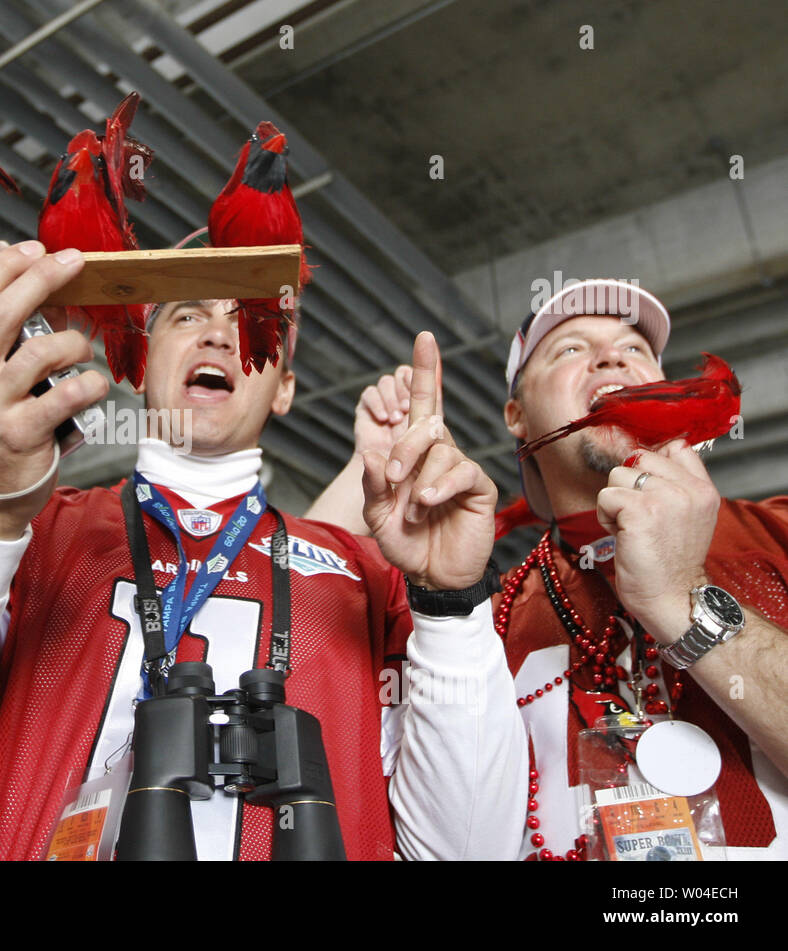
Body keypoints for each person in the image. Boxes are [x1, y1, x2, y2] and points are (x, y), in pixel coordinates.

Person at [0, 240, 529, 860]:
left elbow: (471, 848)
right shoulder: (29, 533)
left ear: (283, 388)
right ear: (138, 359)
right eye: (187, 313)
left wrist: (452, 606)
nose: (219, 335)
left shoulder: (369, 576)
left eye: (250, 322)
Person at [316, 278, 788, 860]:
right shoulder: (487, 620)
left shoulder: (779, 533)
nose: (613, 355)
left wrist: (682, 597)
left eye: (635, 349)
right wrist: (445, 600)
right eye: (570, 348)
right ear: (517, 414)